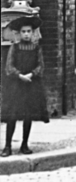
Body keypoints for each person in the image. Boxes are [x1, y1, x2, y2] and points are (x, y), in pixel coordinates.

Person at [1, 15, 49, 157]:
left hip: (31, 85)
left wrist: (32, 74)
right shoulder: (14, 48)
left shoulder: (36, 48)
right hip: (16, 86)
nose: (26, 34)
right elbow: (9, 66)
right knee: (12, 115)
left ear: (33, 33)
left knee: (28, 115)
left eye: (29, 31)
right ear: (19, 33)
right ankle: (8, 146)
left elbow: (41, 65)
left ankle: (24, 145)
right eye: (23, 32)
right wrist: (19, 75)